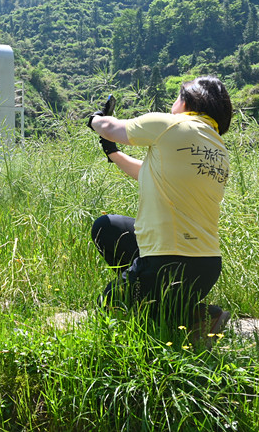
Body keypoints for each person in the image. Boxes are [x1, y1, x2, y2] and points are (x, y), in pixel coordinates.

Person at [87, 75, 233, 342]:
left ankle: (190, 314)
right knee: (108, 227)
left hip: (168, 262)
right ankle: (190, 311)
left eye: (177, 97)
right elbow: (150, 172)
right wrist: (113, 153)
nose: (172, 104)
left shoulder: (169, 125)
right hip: (207, 267)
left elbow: (108, 125)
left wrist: (95, 119)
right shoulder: (217, 148)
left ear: (188, 100)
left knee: (109, 307)